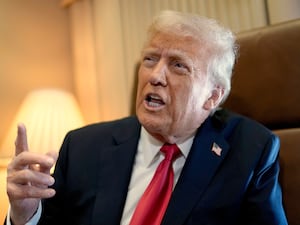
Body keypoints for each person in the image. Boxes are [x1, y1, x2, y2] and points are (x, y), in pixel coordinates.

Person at [5, 10, 288, 225]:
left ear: (212, 96)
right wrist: (24, 213)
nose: (154, 75)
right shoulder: (83, 147)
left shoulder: (249, 151)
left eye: (178, 66)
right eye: (151, 59)